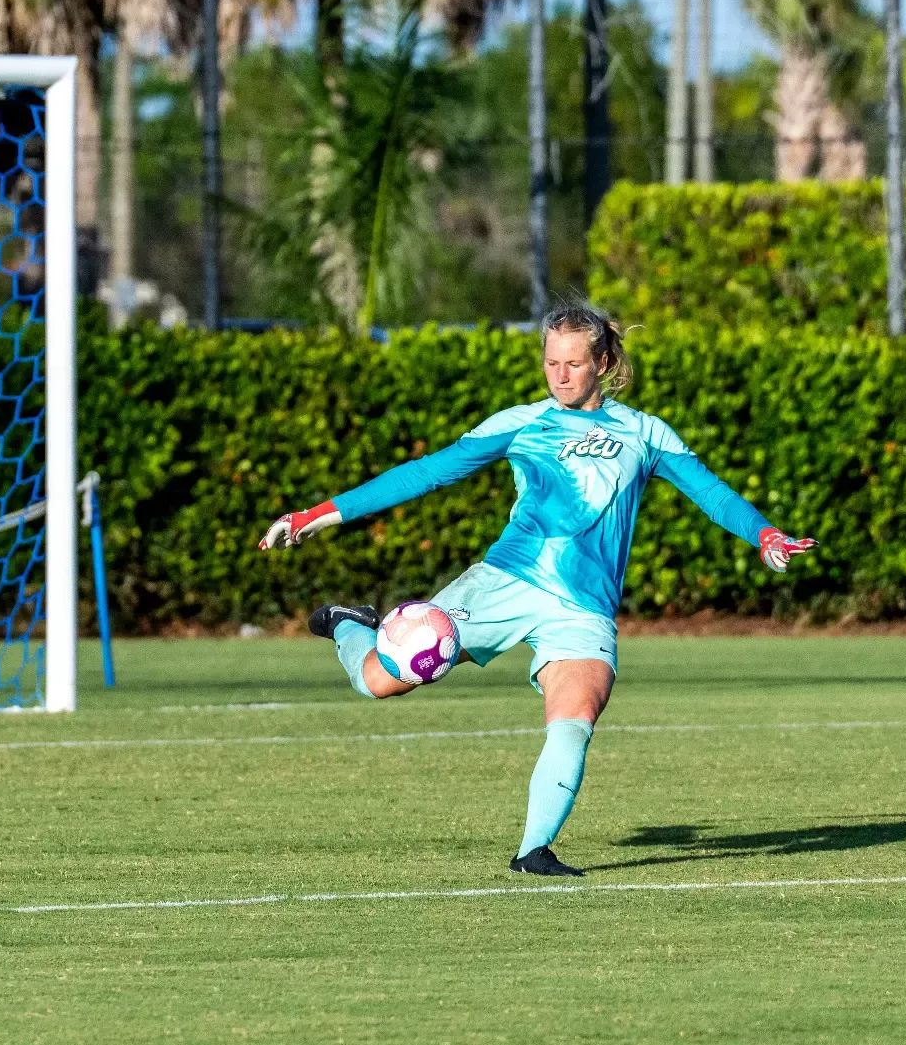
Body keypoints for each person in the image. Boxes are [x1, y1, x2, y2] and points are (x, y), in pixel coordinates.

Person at [258, 303, 817, 877]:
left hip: (582, 608)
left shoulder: (644, 433)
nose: (560, 375)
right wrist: (321, 514)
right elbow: (427, 471)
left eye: (574, 363)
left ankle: (533, 852)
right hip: (504, 583)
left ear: (602, 362)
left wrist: (765, 534)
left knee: (576, 715)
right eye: (552, 362)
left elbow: (714, 494)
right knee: (377, 682)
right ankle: (349, 622)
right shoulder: (522, 422)